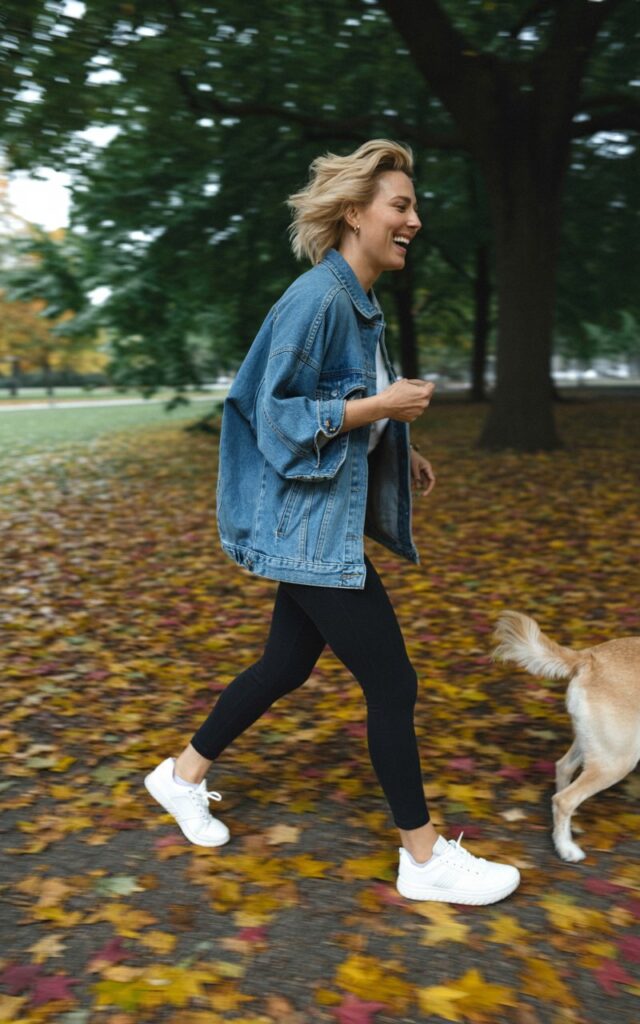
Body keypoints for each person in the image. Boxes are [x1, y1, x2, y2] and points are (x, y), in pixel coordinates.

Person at [145, 140, 520, 905]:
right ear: (355, 213)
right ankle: (422, 859)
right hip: (304, 530)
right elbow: (274, 416)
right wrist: (381, 407)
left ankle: (179, 775)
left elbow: (342, 412)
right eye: (400, 205)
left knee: (285, 666)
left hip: (320, 523)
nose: (415, 218)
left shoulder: (359, 304)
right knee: (393, 681)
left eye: (414, 205)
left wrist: (393, 445)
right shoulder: (318, 300)